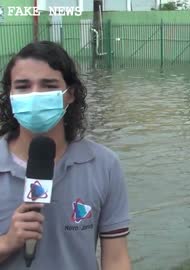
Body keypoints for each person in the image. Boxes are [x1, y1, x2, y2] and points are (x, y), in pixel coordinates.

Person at [0, 41, 131, 269]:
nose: (35, 95)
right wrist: (7, 243)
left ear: (70, 94)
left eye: (48, 85)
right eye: (22, 86)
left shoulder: (104, 164)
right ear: (10, 95)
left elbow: (116, 258)